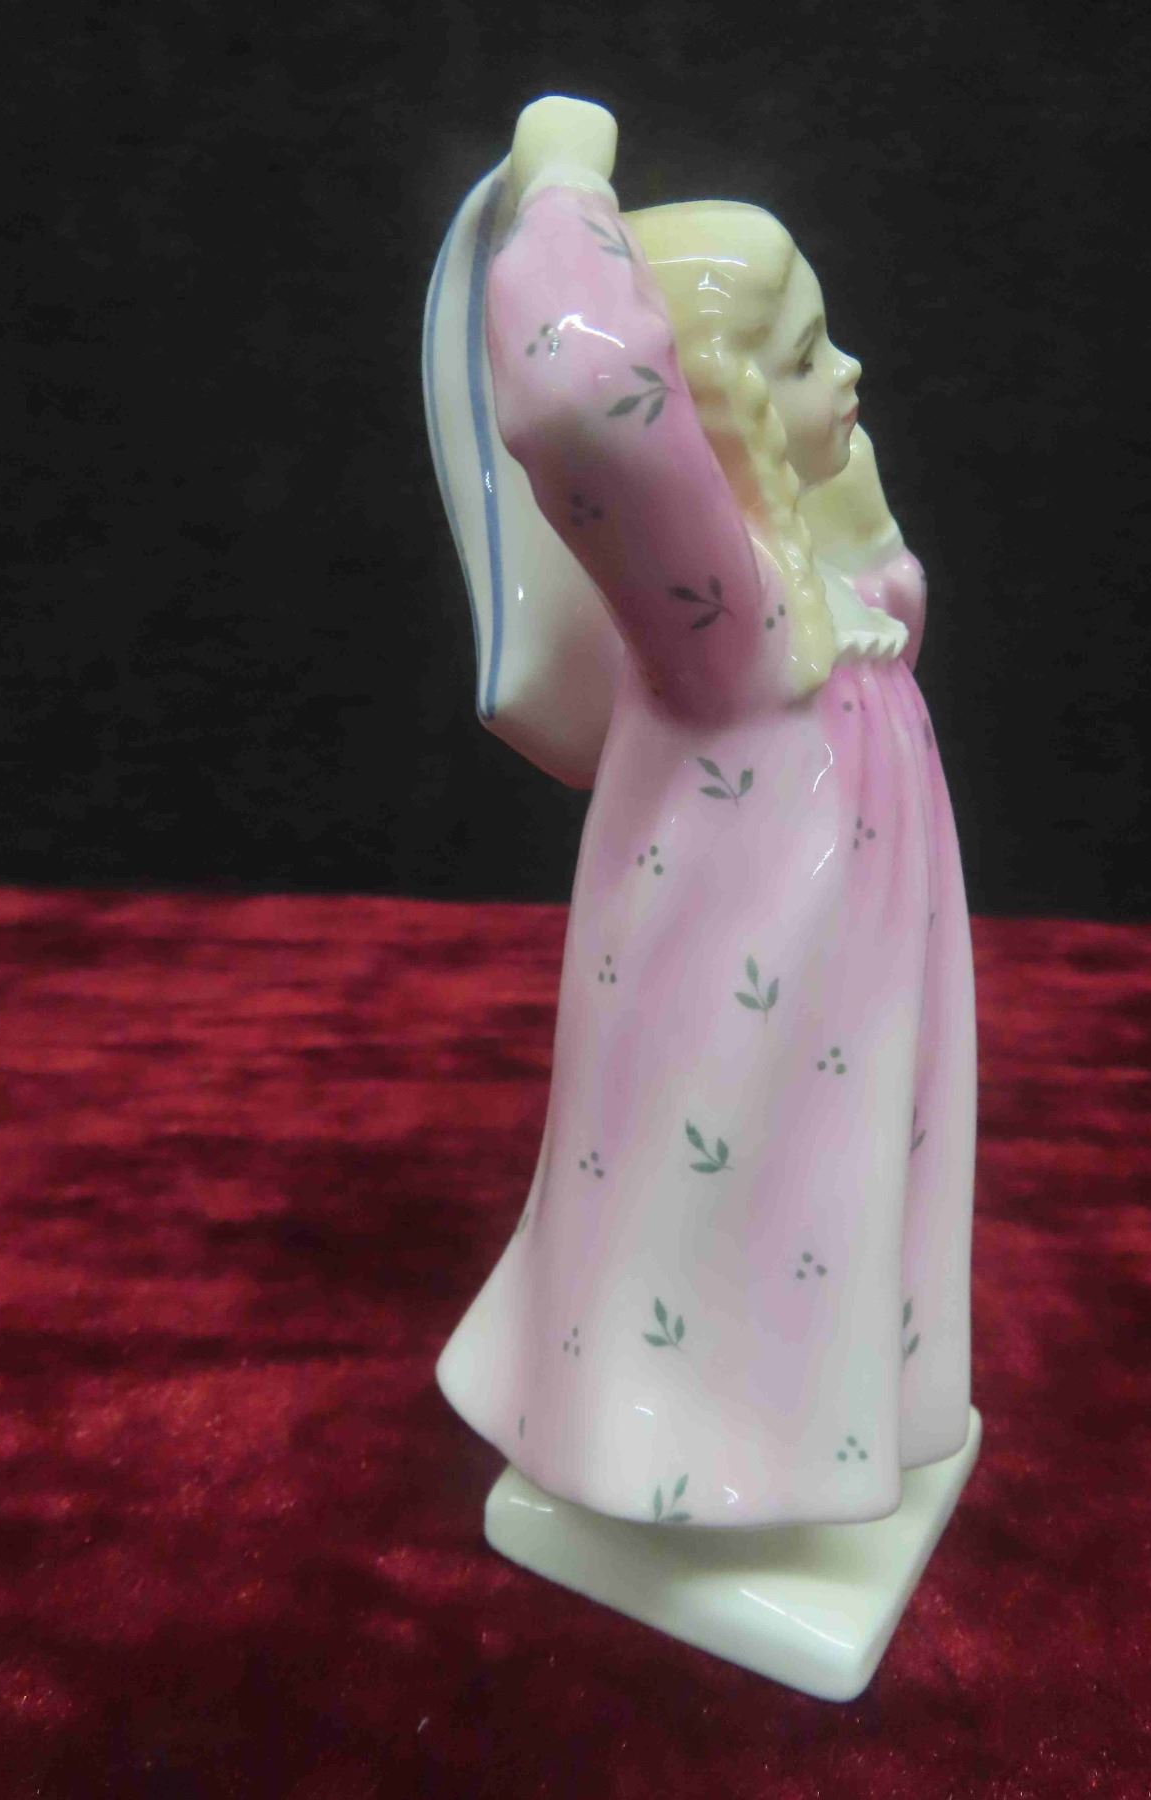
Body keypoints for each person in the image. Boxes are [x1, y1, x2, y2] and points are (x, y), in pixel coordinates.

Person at [436, 99, 977, 1528]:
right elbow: (576, 393)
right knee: (716, 1185)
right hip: (746, 946)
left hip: (850, 953)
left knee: (828, 1184)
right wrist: (566, 180)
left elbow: (880, 622)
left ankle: (820, 1432)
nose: (847, 371)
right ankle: (675, 1458)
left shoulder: (781, 556)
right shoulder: (711, 608)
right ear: (713, 401)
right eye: (799, 356)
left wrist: (855, 521)